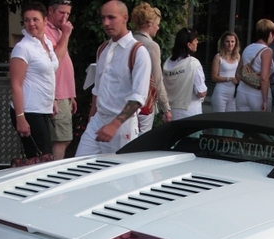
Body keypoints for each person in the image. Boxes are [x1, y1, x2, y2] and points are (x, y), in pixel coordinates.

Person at [75, 0, 151, 156]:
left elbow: (138, 97)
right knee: (78, 167)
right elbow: (97, 89)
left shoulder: (138, 52)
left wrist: (114, 124)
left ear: (125, 18)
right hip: (98, 121)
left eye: (111, 17)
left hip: (122, 126)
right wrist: (91, 120)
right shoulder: (103, 49)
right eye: (103, 18)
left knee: (118, 175)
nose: (106, 23)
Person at [9, 2, 59, 158]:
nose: (31, 24)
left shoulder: (48, 44)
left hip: (42, 109)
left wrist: (53, 99)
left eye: (35, 19)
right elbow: (16, 84)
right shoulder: (23, 47)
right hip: (29, 110)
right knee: (41, 158)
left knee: (41, 158)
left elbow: (47, 74)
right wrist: (20, 117)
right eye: (27, 20)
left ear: (45, 20)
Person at [132, 2, 171, 132]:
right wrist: (166, 108)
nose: (158, 28)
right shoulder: (151, 46)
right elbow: (157, 79)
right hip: (145, 101)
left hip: (124, 101)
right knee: (141, 141)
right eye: (157, 24)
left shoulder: (128, 41)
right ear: (149, 25)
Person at [44, 0, 75, 160]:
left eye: (68, 14)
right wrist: (66, 34)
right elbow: (56, 59)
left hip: (63, 93)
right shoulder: (45, 31)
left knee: (63, 138)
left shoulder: (57, 30)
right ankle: (54, 171)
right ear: (50, 10)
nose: (65, 17)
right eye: (61, 12)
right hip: (55, 93)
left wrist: (70, 94)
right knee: (61, 139)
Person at [163, 28, 208, 120]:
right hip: (190, 113)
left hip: (171, 112)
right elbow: (201, 92)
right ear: (189, 45)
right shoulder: (193, 64)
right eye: (195, 40)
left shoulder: (168, 62)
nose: (197, 42)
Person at [235, 19, 274, 112]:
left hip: (242, 92)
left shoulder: (247, 48)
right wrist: (265, 101)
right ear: (270, 34)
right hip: (257, 95)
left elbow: (238, 73)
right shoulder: (267, 51)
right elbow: (264, 78)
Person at [211, 31, 240, 112]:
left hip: (233, 94)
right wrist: (229, 78)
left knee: (231, 120)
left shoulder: (238, 56)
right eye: (227, 41)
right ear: (223, 42)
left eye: (232, 41)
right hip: (221, 93)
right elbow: (214, 77)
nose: (230, 44)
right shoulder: (218, 57)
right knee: (218, 120)